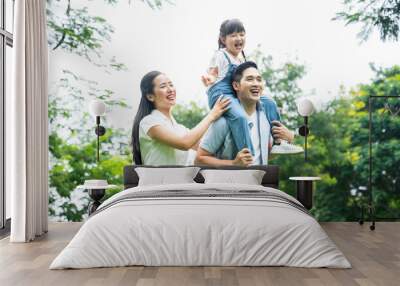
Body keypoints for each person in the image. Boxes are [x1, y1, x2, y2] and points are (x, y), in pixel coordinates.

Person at [201, 18, 303, 155]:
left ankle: (278, 142)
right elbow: (212, 72)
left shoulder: (242, 59)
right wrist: (210, 79)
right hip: (221, 95)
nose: (239, 38)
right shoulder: (221, 54)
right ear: (223, 39)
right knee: (240, 117)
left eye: (242, 34)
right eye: (233, 35)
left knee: (269, 103)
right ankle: (249, 154)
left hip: (237, 94)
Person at [196, 61, 295, 166]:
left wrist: (288, 139)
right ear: (236, 85)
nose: (256, 84)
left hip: (259, 181)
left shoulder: (266, 117)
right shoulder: (224, 121)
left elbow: (263, 155)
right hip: (229, 182)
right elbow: (199, 159)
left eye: (259, 80)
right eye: (250, 79)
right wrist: (233, 163)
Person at [131, 71, 230, 165]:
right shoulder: (149, 122)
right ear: (150, 96)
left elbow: (208, 148)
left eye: (171, 85)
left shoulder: (180, 129)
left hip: (181, 181)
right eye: (163, 86)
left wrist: (214, 86)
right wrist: (212, 115)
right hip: (159, 182)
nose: (170, 89)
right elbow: (185, 143)